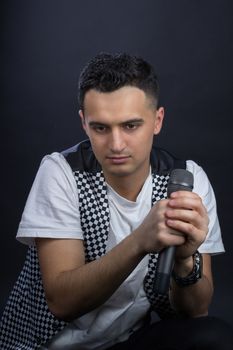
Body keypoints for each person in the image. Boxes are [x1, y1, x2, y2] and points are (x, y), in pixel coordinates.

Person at [0, 52, 233, 350]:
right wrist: (139, 241)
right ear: (84, 123)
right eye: (101, 128)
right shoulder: (61, 172)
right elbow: (62, 302)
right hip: (47, 345)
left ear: (157, 120)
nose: (117, 144)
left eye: (131, 126)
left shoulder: (187, 179)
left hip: (125, 342)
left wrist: (186, 260)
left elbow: (196, 311)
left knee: (214, 336)